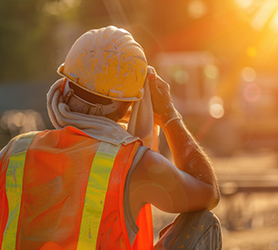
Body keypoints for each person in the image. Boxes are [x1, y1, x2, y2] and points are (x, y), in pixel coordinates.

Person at [0, 26, 221, 250]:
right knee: (203, 222)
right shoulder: (135, 164)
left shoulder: (14, 153)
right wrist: (169, 115)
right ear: (126, 107)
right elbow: (208, 190)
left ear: (65, 84)